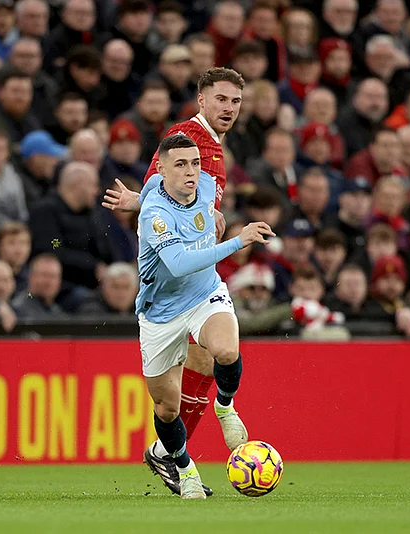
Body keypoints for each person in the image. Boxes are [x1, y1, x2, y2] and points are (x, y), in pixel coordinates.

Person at [103, 67, 245, 496]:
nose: (229, 109)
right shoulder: (188, 135)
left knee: (209, 359)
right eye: (221, 99)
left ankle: (174, 453)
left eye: (236, 102)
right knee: (169, 399)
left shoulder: (213, 146)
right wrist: (141, 198)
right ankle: (169, 450)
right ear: (202, 100)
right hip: (166, 279)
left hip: (198, 283)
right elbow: (157, 181)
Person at [127, 133, 273, 498]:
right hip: (160, 312)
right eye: (180, 165)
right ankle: (183, 466)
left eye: (194, 162)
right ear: (160, 170)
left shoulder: (206, 184)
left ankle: (226, 407)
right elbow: (177, 264)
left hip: (204, 292)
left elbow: (196, 202)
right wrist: (239, 240)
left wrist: (135, 198)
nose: (192, 171)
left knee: (226, 351)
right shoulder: (155, 214)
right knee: (166, 407)